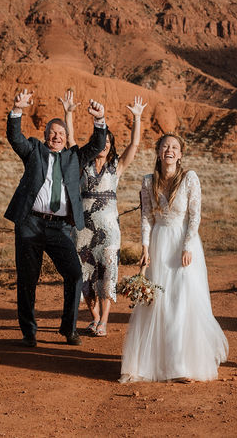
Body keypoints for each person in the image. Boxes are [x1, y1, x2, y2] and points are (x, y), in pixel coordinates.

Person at [119, 134, 228, 382]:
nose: (169, 150)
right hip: (159, 243)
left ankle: (179, 365)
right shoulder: (148, 182)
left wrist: (188, 245)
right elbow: (146, 216)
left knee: (181, 301)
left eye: (175, 147)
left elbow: (195, 215)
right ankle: (155, 362)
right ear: (158, 152)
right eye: (165, 146)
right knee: (159, 303)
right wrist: (145, 247)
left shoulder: (190, 178)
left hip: (182, 245)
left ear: (180, 155)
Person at [4, 88, 107, 346]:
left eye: (61, 134)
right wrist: (17, 111)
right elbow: (15, 137)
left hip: (60, 228)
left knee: (74, 274)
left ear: (65, 137)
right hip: (31, 222)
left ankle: (68, 329)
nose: (57, 137)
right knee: (28, 278)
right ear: (45, 136)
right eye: (52, 133)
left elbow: (97, 144)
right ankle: (29, 332)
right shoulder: (34, 151)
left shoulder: (74, 157)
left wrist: (100, 120)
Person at [60, 90, 147, 337]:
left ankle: (104, 321)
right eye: (101, 141)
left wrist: (137, 118)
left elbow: (135, 145)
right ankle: (94, 317)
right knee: (85, 273)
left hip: (109, 230)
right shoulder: (82, 164)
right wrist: (68, 113)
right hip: (83, 228)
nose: (104, 145)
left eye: (108, 143)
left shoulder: (116, 168)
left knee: (108, 273)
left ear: (111, 147)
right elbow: (70, 140)